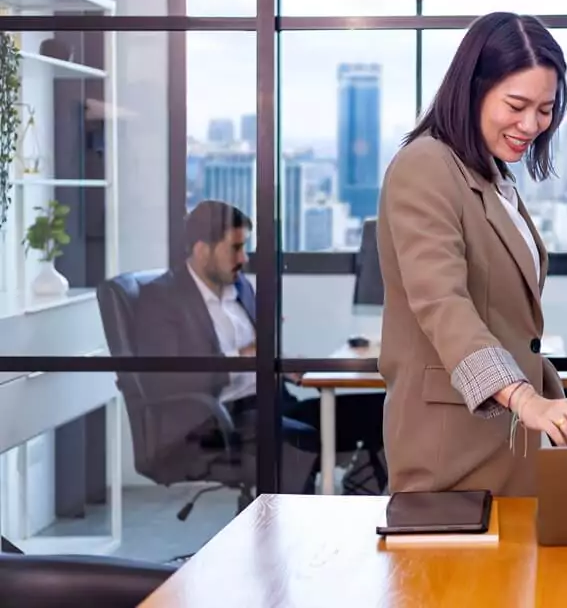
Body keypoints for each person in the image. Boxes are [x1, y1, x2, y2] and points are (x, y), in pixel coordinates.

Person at [377, 11, 567, 496]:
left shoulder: (492, 176)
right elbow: (443, 304)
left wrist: (557, 406)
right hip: (450, 449)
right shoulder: (426, 166)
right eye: (516, 105)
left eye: (546, 109)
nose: (531, 125)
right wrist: (525, 398)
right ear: (473, 88)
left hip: (508, 442)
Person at [135, 200, 386, 492]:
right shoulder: (162, 299)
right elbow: (169, 379)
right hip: (217, 420)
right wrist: (244, 356)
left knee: (380, 410)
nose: (244, 258)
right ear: (202, 250)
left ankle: (362, 486)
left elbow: (258, 350)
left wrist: (285, 364)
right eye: (235, 248)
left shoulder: (238, 286)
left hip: (271, 403)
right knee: (297, 441)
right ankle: (285, 529)